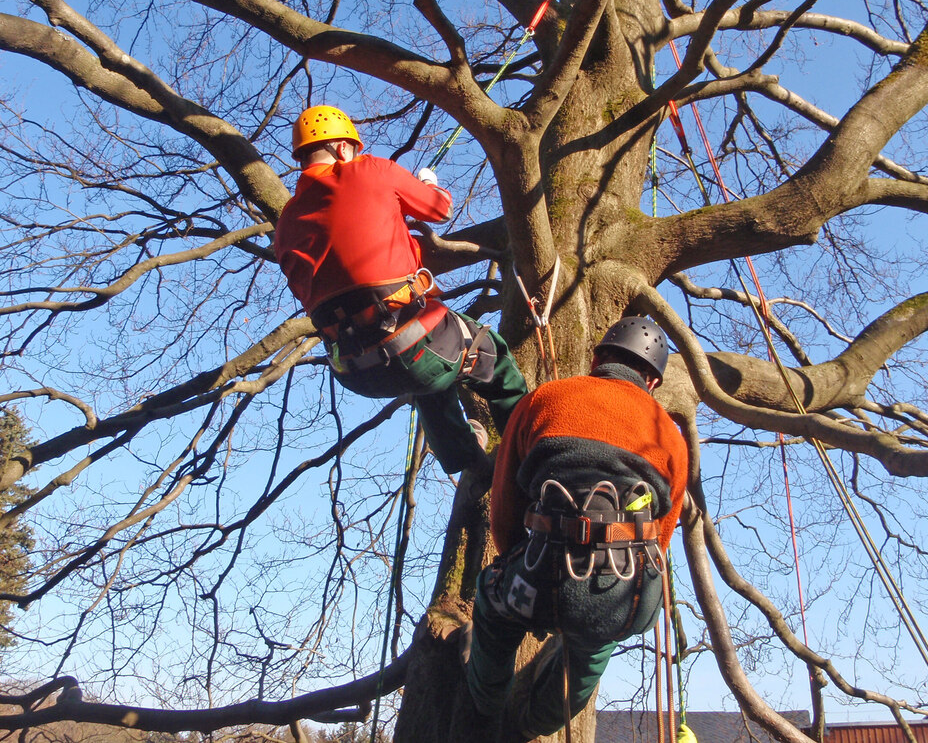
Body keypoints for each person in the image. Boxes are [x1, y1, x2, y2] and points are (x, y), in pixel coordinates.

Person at [464, 316, 688, 740]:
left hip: (537, 574)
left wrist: (516, 563)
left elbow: (505, 509)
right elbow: (661, 536)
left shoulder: (545, 399)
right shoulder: (670, 436)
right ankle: (534, 725)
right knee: (594, 645)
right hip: (619, 597)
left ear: (597, 358)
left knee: (493, 609)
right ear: (653, 382)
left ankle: (485, 708)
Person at [273, 105, 528, 475]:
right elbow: (439, 209)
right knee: (494, 357)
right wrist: (427, 183)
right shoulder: (372, 169)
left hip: (356, 370)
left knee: (429, 371)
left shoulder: (285, 225)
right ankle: (530, 451)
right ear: (344, 147)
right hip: (413, 343)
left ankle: (467, 462)